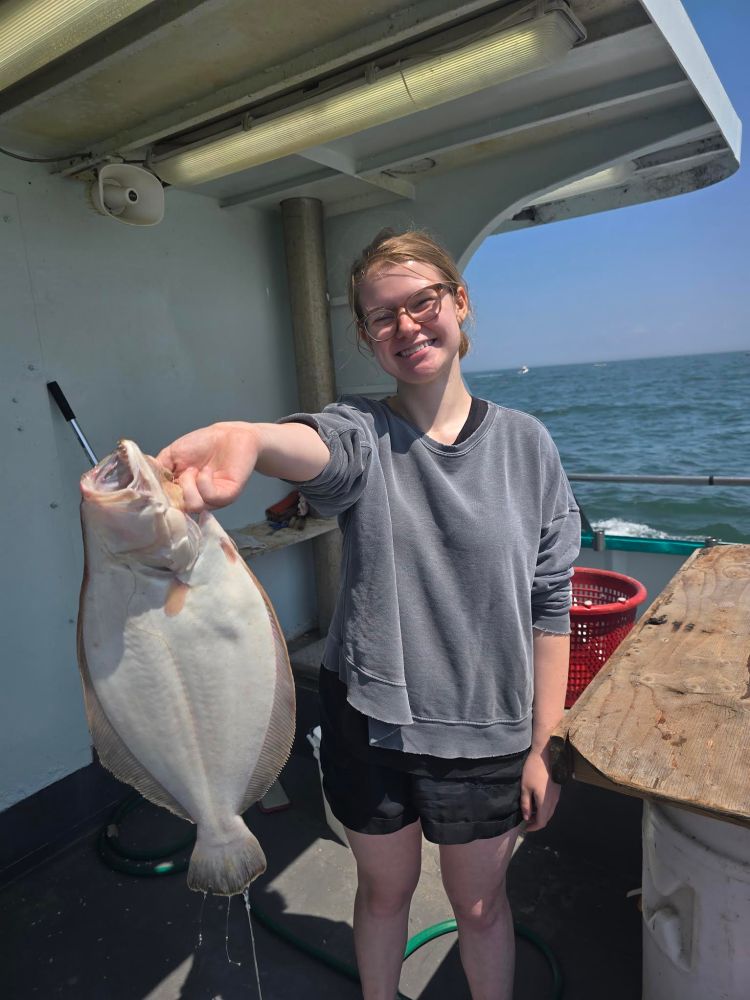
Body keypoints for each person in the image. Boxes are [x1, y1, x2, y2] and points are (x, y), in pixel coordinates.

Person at [157, 228, 580, 1000]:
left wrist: (543, 747)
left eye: (423, 302)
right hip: (371, 721)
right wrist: (248, 437)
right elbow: (319, 449)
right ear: (365, 336)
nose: (407, 326)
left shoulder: (530, 446)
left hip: (487, 731)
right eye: (383, 316)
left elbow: (551, 606)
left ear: (460, 304)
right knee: (383, 893)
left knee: (481, 908)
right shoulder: (362, 430)